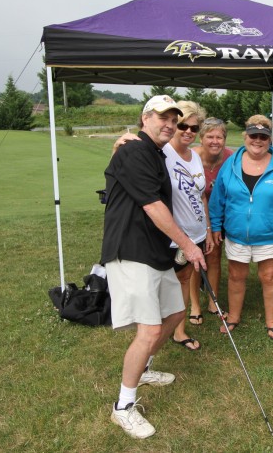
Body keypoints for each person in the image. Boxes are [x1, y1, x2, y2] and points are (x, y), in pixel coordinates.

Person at [102, 95, 206, 439]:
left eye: (173, 119)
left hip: (154, 249)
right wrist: (189, 245)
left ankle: (143, 368)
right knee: (148, 330)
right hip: (131, 250)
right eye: (163, 117)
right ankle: (123, 406)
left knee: (175, 314)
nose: (170, 124)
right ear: (145, 118)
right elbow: (152, 205)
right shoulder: (134, 151)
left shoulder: (154, 153)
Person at [113, 101, 211, 352]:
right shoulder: (162, 152)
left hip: (197, 230)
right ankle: (159, 332)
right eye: (183, 126)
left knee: (187, 277)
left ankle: (177, 330)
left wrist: (208, 229)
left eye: (193, 127)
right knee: (173, 280)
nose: (187, 131)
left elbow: (201, 196)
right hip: (173, 234)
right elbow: (130, 164)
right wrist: (120, 143)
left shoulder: (195, 157)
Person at [209, 115, 273, 340]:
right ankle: (233, 316)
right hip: (236, 233)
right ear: (246, 136)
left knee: (270, 277)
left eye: (263, 136)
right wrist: (215, 225)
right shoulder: (231, 164)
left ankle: (272, 321)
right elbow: (217, 198)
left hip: (268, 233)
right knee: (236, 275)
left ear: (269, 139)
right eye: (254, 135)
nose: (258, 140)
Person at [190, 118, 234, 317]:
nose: (215, 141)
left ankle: (212, 301)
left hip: (219, 215)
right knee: (195, 260)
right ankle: (194, 306)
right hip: (194, 214)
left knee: (214, 256)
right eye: (210, 136)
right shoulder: (191, 157)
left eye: (219, 137)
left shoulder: (230, 158)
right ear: (201, 138)